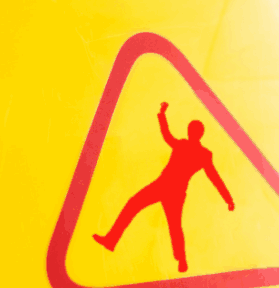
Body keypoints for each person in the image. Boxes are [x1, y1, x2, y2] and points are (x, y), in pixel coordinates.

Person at [93, 102, 235, 273]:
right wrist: (228, 199)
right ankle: (180, 259)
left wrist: (162, 114)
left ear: (193, 132)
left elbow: (167, 136)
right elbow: (215, 179)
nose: (190, 132)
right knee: (171, 224)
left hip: (164, 186)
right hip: (174, 191)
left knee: (139, 208)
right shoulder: (204, 154)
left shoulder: (184, 145)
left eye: (191, 129)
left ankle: (112, 240)